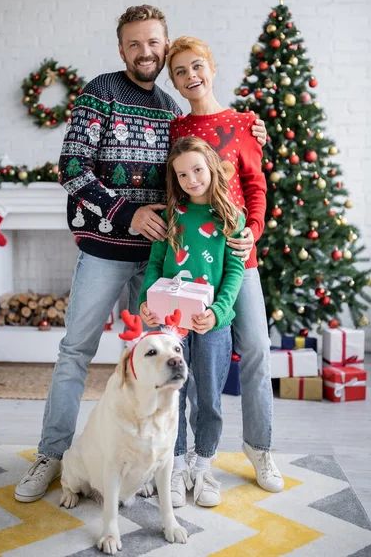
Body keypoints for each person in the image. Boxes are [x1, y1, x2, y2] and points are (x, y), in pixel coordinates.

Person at [15, 6, 267, 503]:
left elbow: (201, 171)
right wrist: (124, 213)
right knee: (75, 352)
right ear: (121, 49)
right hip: (106, 250)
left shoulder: (175, 111)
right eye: (134, 43)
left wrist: (251, 130)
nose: (145, 51)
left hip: (164, 264)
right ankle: (52, 454)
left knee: (159, 362)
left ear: (164, 44)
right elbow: (70, 167)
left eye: (154, 42)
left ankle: (159, 463)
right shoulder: (99, 93)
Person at [165, 36, 284, 494]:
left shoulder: (243, 124)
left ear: (211, 66)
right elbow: (174, 190)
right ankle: (181, 459)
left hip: (238, 258)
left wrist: (252, 229)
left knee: (255, 347)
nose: (191, 76)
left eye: (197, 66)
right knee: (194, 360)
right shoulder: (176, 130)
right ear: (173, 81)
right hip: (190, 263)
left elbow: (255, 187)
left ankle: (260, 447)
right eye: (180, 71)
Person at [139, 136, 245, 508]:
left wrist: (217, 311)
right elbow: (154, 267)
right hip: (170, 328)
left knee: (209, 399)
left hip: (213, 326)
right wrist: (145, 304)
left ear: (212, 168)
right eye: (182, 174)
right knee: (172, 396)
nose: (191, 179)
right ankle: (175, 467)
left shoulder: (231, 215)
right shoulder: (172, 215)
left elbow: (234, 274)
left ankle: (203, 467)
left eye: (197, 170)